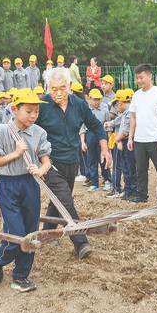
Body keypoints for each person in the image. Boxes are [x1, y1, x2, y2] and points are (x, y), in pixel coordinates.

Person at [36, 67, 111, 260]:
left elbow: (95, 125)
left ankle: (47, 233)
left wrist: (104, 148)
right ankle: (81, 242)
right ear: (47, 87)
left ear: (69, 86)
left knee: (59, 199)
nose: (58, 93)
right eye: (53, 89)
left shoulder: (79, 104)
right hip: (49, 162)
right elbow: (29, 130)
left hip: (72, 161)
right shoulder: (41, 105)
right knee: (66, 201)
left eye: (62, 88)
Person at [0, 88, 52, 293]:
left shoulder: (39, 132)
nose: (33, 115)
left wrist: (40, 169)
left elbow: (46, 161)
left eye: (36, 111)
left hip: (30, 184)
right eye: (28, 111)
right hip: (8, 184)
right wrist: (16, 153)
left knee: (31, 233)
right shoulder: (1, 132)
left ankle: (21, 276)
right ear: (14, 109)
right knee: (16, 233)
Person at [127, 64, 157, 204]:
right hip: (139, 139)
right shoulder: (136, 95)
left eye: (142, 77)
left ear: (149, 76)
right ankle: (141, 194)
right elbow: (133, 117)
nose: (139, 81)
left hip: (155, 139)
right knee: (141, 170)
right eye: (137, 78)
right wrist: (130, 137)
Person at [81, 89, 111, 192]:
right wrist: (83, 142)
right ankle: (94, 182)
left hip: (101, 136)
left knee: (103, 159)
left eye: (98, 99)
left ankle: (107, 180)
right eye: (94, 99)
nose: (96, 102)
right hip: (90, 135)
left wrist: (109, 140)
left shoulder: (105, 111)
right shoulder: (86, 112)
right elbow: (82, 129)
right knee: (91, 159)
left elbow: (108, 127)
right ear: (89, 99)